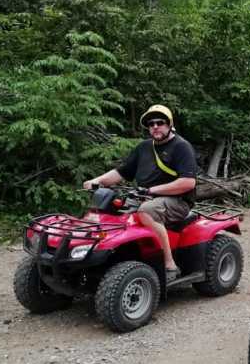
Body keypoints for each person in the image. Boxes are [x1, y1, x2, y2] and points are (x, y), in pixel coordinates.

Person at [83, 104, 198, 282]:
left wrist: (151, 190)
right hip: (143, 197)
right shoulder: (143, 147)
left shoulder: (181, 147)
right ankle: (95, 259)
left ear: (169, 125)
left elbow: (188, 183)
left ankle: (169, 264)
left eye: (160, 122)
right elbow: (122, 172)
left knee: (145, 211)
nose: (155, 126)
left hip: (177, 201)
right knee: (105, 213)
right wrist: (97, 181)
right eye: (151, 124)